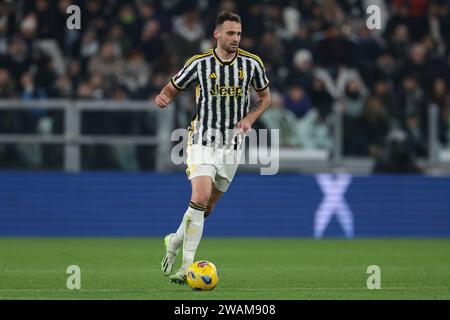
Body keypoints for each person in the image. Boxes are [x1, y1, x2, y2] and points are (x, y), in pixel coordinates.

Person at [154, 11, 271, 284]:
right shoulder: (199, 63)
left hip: (232, 144)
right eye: (230, 33)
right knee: (201, 194)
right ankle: (186, 266)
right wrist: (163, 97)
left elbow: (265, 98)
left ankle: (173, 242)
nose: (236, 39)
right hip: (202, 138)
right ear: (217, 35)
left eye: (239, 34)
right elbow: (173, 87)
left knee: (206, 209)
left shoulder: (252, 64)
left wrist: (249, 118)